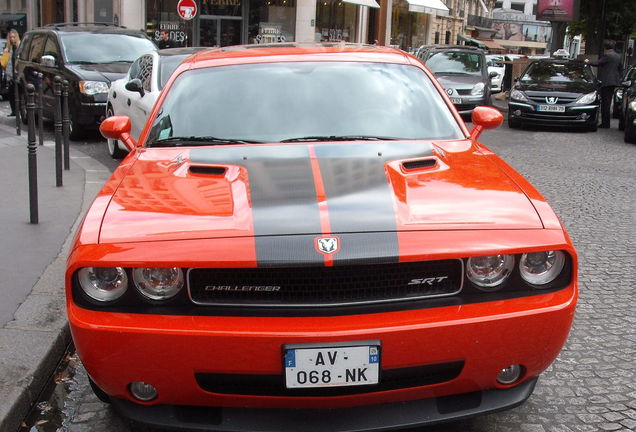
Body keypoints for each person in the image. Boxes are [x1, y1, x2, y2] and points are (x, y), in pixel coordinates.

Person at [586, 40, 622, 128]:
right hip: (613, 82)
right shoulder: (618, 56)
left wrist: (588, 62)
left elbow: (598, 63)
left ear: (605, 47)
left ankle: (605, 123)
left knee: (605, 103)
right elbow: (620, 68)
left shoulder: (607, 55)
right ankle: (606, 123)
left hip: (606, 82)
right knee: (608, 102)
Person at [0, 29, 21, 117]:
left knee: (19, 94)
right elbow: (3, 63)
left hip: (18, 74)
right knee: (11, 94)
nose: (12, 39)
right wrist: (5, 52)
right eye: (10, 37)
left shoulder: (20, 46)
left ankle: (20, 110)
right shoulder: (8, 48)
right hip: (10, 74)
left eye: (13, 37)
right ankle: (14, 111)